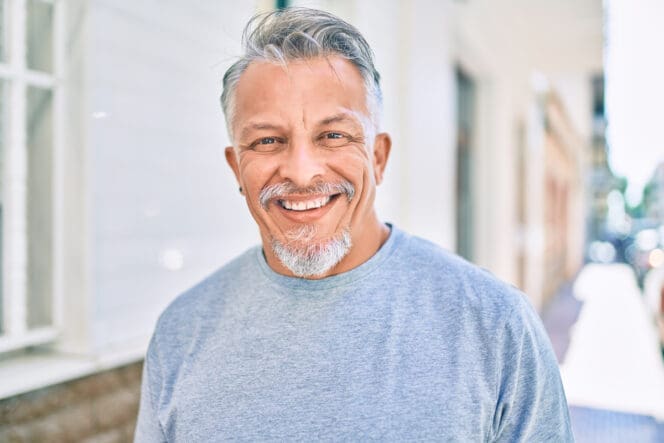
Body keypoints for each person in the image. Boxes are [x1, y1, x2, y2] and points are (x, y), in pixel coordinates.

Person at [135, 7, 573, 442]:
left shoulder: (495, 328)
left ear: (378, 158)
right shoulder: (182, 333)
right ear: (236, 169)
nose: (302, 172)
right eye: (268, 140)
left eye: (334, 136)